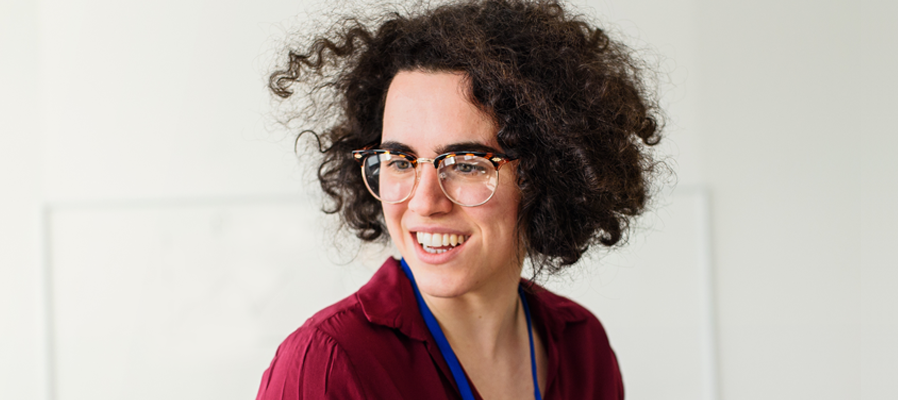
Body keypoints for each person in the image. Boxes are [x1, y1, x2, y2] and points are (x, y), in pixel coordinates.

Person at [258, 0, 662, 398]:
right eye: (400, 161)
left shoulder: (582, 347)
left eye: (467, 164)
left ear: (547, 175)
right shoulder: (328, 364)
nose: (424, 202)